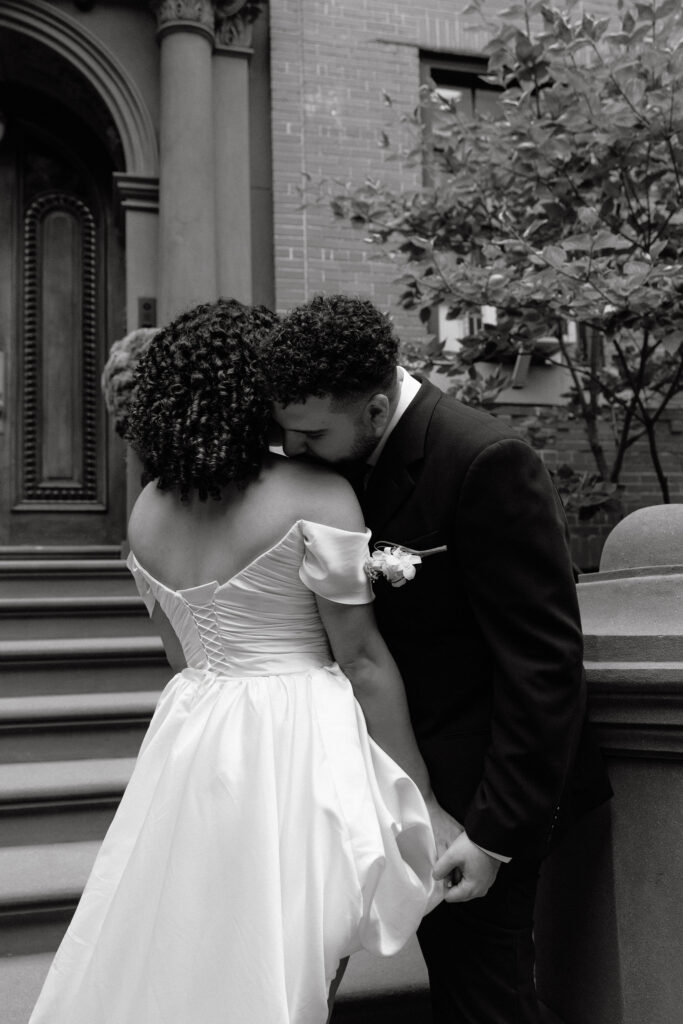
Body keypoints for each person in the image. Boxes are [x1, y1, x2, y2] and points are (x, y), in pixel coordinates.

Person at [28, 298, 459, 1024]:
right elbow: (362, 663)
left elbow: (180, 656)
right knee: (298, 953)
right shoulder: (317, 494)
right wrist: (422, 801)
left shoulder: (146, 514)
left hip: (198, 737)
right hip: (298, 741)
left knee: (203, 942)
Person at [266, 293, 613, 1024]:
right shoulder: (339, 456)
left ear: (375, 403)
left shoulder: (484, 460)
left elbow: (542, 664)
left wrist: (492, 836)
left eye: (311, 434)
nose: (294, 452)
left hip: (482, 797)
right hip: (396, 784)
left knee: (486, 1002)